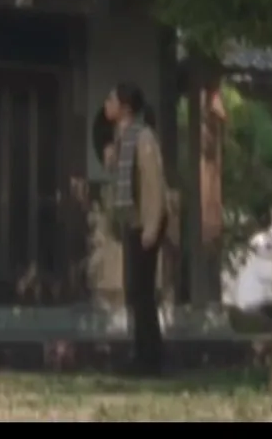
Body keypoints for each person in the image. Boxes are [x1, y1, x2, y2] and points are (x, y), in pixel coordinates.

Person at [102, 81, 167, 377]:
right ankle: (142, 352)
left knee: (143, 292)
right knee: (135, 291)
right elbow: (121, 183)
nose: (107, 104)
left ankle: (151, 356)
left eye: (111, 99)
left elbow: (153, 183)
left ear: (125, 107)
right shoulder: (121, 138)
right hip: (132, 222)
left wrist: (151, 226)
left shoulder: (143, 137)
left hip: (146, 222)